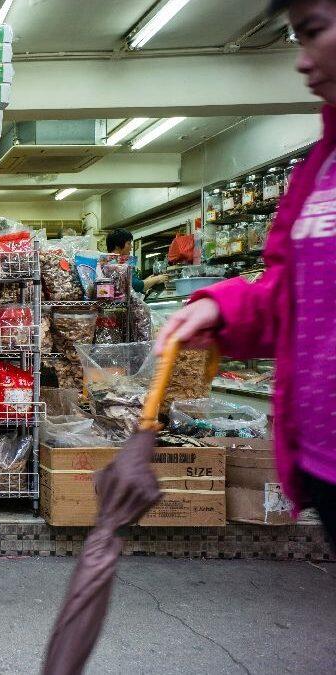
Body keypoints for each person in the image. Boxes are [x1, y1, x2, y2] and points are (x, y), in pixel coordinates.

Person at [156, 0, 336, 548]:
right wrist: (223, 305)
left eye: (313, 32)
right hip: (324, 464)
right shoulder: (319, 169)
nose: (302, 62)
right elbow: (294, 298)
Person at [105, 229, 169, 294]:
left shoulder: (106, 262)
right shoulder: (118, 264)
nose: (131, 247)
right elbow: (136, 286)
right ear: (117, 246)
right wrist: (157, 279)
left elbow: (130, 286)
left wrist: (148, 280)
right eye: (128, 243)